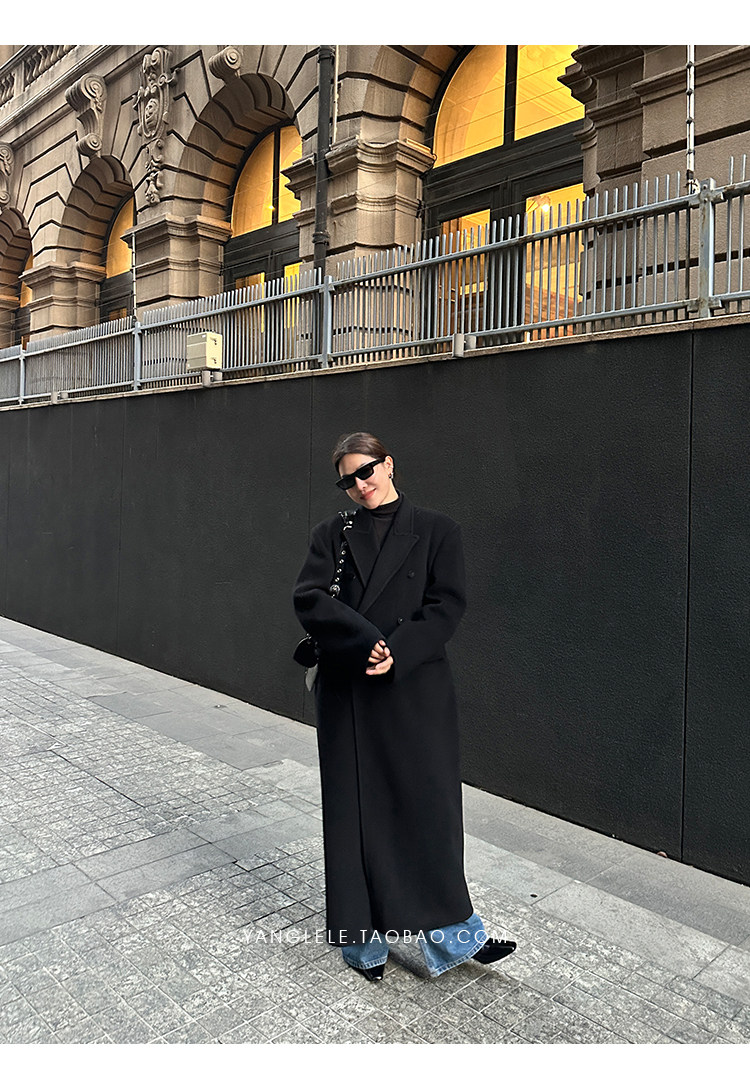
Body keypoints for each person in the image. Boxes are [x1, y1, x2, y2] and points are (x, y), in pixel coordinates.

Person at [293, 431, 516, 981]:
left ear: (388, 464)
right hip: (349, 691)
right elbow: (309, 598)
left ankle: (454, 935)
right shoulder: (332, 534)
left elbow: (447, 605)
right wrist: (365, 641)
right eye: (347, 480)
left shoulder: (438, 530)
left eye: (365, 471)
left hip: (415, 687)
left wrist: (398, 650)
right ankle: (361, 941)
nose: (359, 485)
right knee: (354, 813)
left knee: (429, 809)